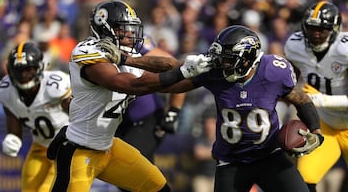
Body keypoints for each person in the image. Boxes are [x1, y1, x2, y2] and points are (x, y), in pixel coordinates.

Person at [110, 25, 325, 192]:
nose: (223, 65)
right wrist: (132, 68)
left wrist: (315, 130)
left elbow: (300, 98)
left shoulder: (273, 72)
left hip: (269, 155)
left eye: (229, 60)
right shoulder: (214, 70)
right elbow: (170, 82)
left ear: (247, 59)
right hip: (231, 162)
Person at [47, 1, 211, 192]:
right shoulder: (89, 51)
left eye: (132, 29)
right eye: (123, 28)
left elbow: (170, 85)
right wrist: (182, 72)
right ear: (106, 27)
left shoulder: (125, 55)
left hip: (109, 147)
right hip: (80, 150)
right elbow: (132, 84)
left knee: (159, 188)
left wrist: (205, 76)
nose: (130, 34)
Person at [284, 1, 348, 192]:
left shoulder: (344, 50)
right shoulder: (295, 46)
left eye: (322, 29)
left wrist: (319, 99)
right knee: (305, 179)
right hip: (325, 124)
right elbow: (289, 84)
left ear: (335, 29)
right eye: (312, 28)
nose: (316, 33)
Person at [0, 41, 72, 192]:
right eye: (19, 70)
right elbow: (12, 115)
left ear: (38, 67)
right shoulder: (6, 91)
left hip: (65, 148)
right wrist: (13, 136)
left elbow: (79, 112)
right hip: (40, 147)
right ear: (11, 72)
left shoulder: (55, 85)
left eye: (28, 69)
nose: (23, 75)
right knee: (28, 188)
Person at [115, 34, 186, 164]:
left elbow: (176, 68)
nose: (128, 33)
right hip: (117, 121)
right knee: (135, 176)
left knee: (127, 165)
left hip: (146, 119)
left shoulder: (134, 40)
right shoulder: (94, 47)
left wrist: (173, 110)